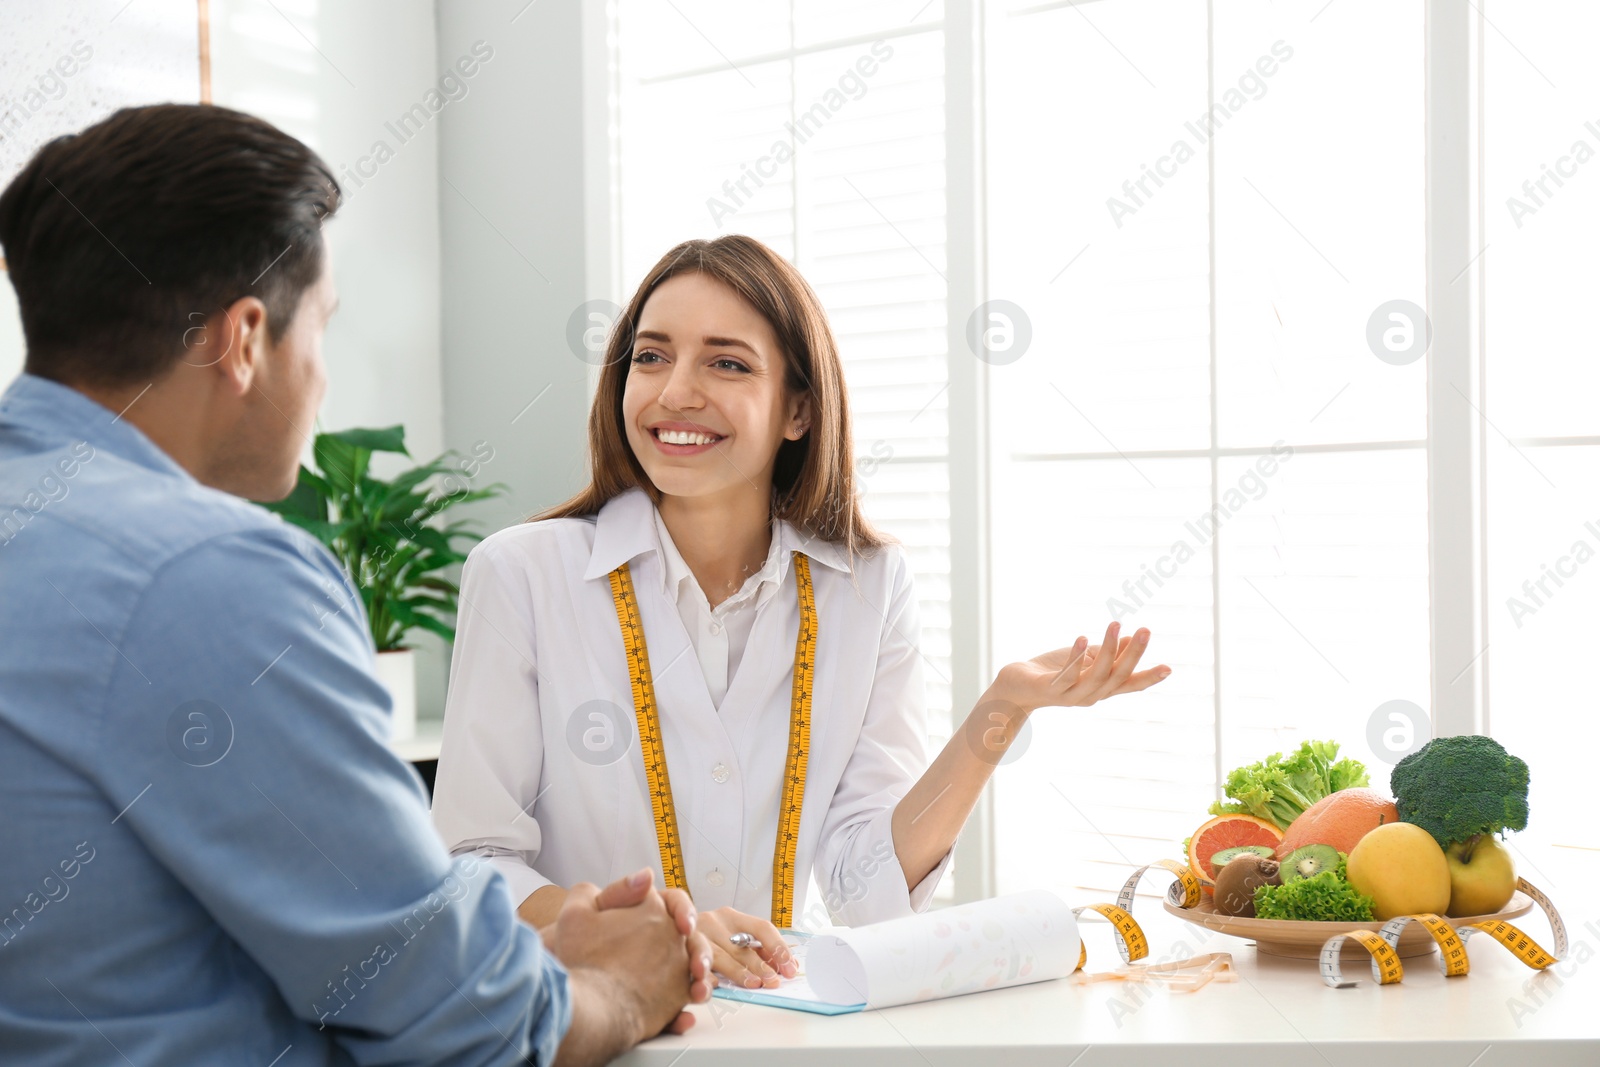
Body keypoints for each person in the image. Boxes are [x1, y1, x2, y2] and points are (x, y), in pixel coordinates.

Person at [0, 103, 712, 1066]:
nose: (323, 381)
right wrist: (627, 986)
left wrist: (508, 954)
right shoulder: (210, 574)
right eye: (321, 331)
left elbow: (140, 931)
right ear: (243, 340)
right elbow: (473, 1030)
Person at [431, 235, 1172, 991]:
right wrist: (648, 926)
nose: (674, 391)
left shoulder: (868, 586)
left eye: (726, 362)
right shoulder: (522, 573)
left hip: (772, 1026)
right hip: (575, 1021)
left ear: (799, 410)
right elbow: (470, 866)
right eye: (650, 357)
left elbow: (863, 884)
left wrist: (1000, 712)